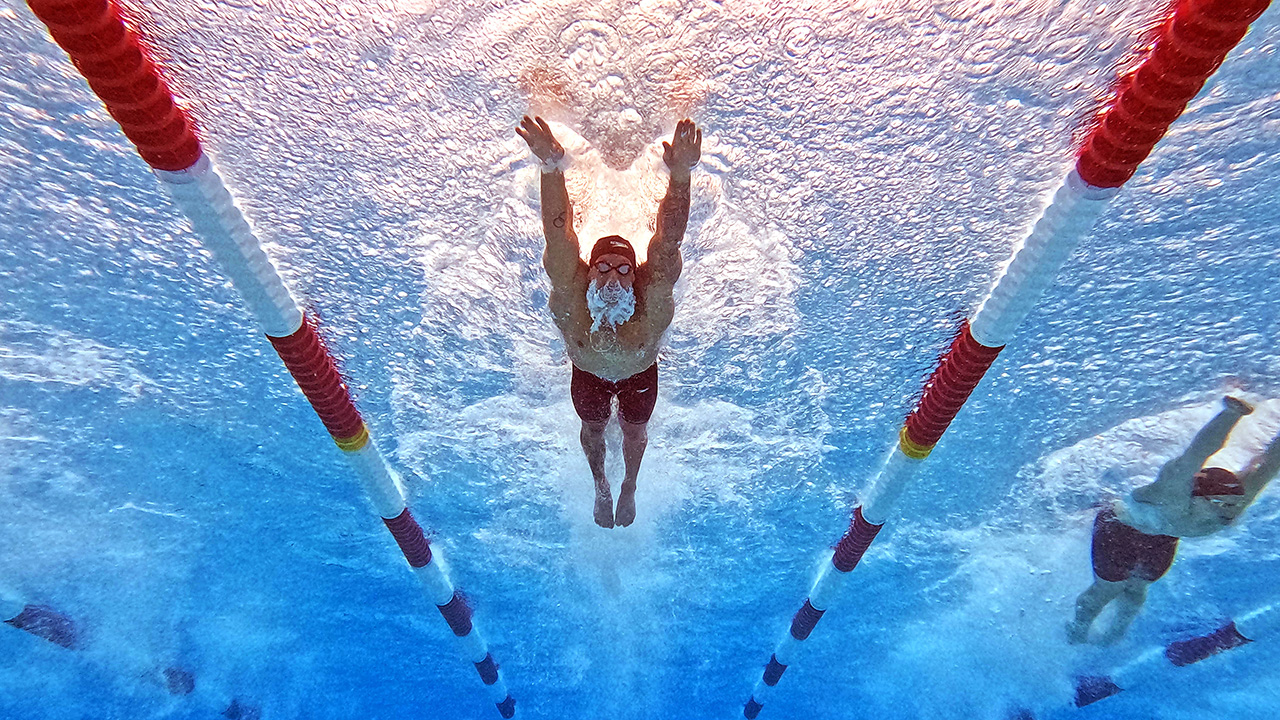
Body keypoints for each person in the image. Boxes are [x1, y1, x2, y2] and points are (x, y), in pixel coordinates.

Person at [516, 116, 701, 528]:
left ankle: (629, 485)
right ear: (588, 271)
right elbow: (557, 237)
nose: (612, 276)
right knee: (594, 429)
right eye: (602, 267)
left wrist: (681, 176)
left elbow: (668, 241)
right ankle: (600, 482)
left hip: (640, 374)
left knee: (634, 434)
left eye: (622, 268)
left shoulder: (652, 300)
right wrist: (550, 166)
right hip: (587, 375)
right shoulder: (570, 293)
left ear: (637, 275)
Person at [1067, 395, 1280, 644]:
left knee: (1136, 591)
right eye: (1220, 504)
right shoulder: (1172, 493)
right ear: (1197, 496)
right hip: (1121, 531)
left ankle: (1114, 635)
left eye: (1231, 504)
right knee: (1108, 589)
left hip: (1163, 539)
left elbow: (1269, 466)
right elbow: (1195, 454)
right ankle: (1077, 630)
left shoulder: (1234, 503)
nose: (1228, 512)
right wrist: (1231, 414)